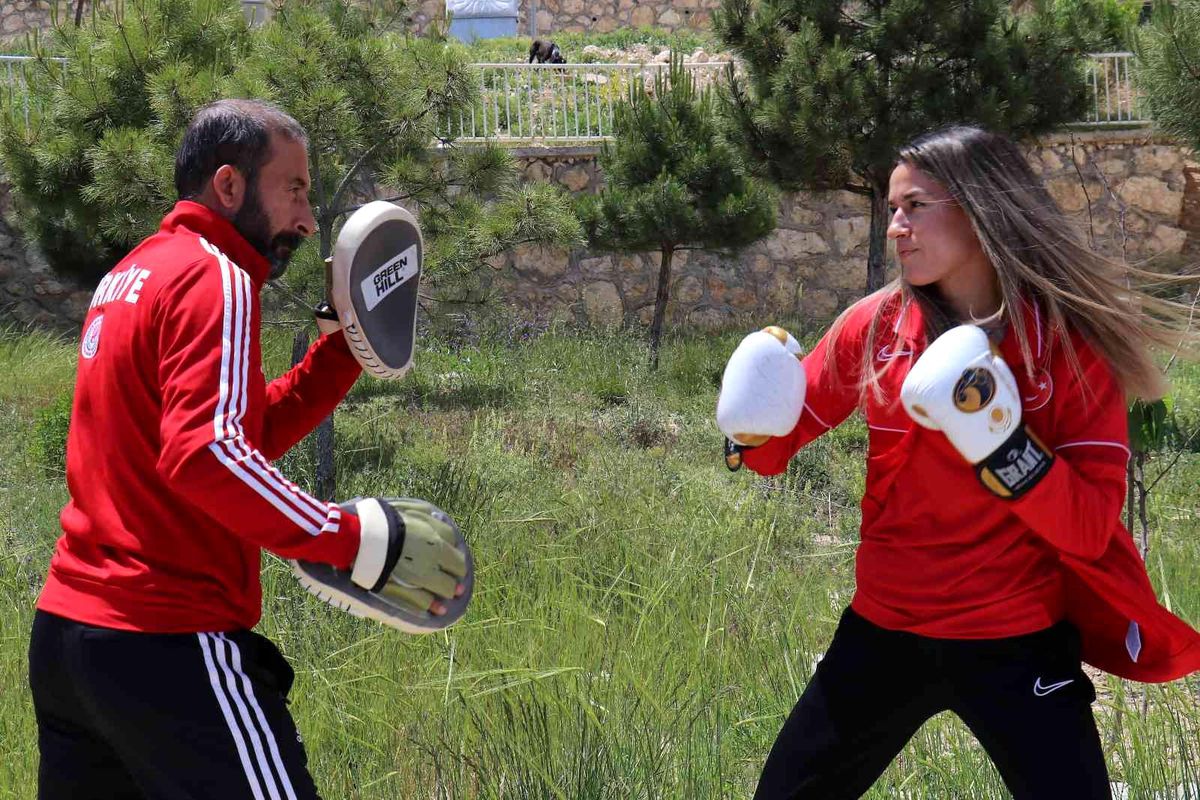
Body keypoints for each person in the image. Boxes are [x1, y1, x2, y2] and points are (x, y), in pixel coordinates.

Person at [721, 125, 1200, 799]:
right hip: (883, 633)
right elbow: (772, 453)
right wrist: (748, 424)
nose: (896, 227)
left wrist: (1004, 446)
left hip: (1018, 640)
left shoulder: (1065, 345)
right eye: (892, 209)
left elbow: (1090, 528)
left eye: (915, 207)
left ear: (980, 210)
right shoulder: (875, 325)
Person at [28, 99, 466, 800]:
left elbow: (237, 435)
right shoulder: (218, 276)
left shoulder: (133, 274)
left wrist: (341, 353)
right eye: (294, 189)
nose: (308, 220)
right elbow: (207, 455)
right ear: (229, 185)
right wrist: (346, 538)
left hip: (69, 639)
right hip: (169, 641)